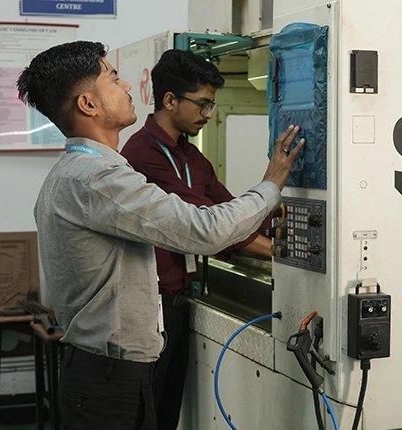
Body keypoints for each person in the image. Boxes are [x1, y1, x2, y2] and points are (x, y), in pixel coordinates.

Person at [18, 40, 304, 430]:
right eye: (114, 78)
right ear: (88, 104)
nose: (127, 86)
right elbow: (204, 229)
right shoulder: (99, 179)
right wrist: (271, 185)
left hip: (102, 370)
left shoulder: (73, 173)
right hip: (109, 379)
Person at [119, 49, 272, 430]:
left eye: (211, 106)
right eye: (202, 104)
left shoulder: (191, 157)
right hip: (150, 307)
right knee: (148, 414)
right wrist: (277, 253)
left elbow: (230, 211)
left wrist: (279, 223)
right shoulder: (142, 155)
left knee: (168, 409)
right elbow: (207, 225)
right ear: (170, 100)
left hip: (179, 301)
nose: (208, 114)